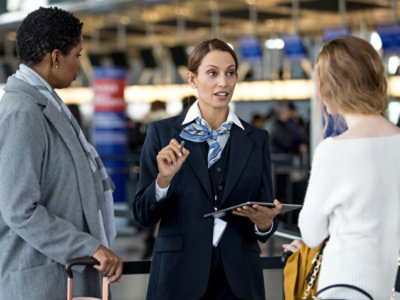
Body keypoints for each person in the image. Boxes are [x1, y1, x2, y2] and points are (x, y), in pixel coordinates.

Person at [133, 38, 282, 300]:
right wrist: (163, 180)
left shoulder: (256, 139)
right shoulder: (163, 133)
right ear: (192, 79)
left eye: (230, 73)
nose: (223, 82)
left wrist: (265, 223)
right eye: (212, 73)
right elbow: (143, 215)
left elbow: (266, 212)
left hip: (238, 277)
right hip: (178, 275)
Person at [0, 7, 122, 300]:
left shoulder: (47, 105)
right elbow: (19, 208)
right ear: (56, 57)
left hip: (61, 275)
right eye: (77, 54)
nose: (80, 63)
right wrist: (88, 247)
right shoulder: (23, 112)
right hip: (41, 280)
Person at [298, 36, 400, 299]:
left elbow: (311, 232)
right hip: (391, 285)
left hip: (346, 285)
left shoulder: (334, 150)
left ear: (330, 89)